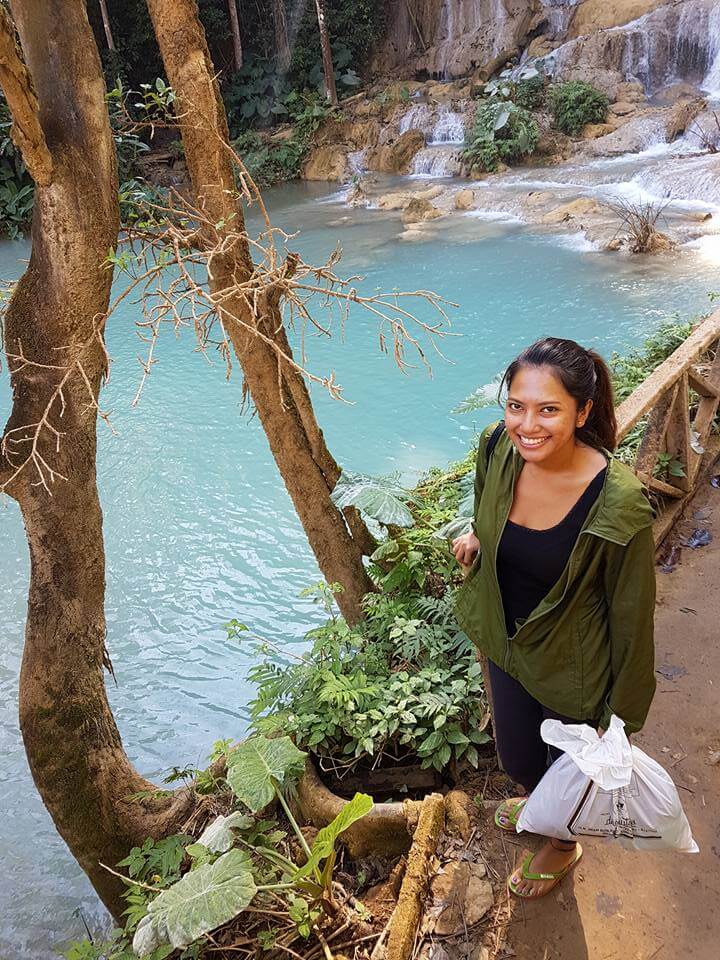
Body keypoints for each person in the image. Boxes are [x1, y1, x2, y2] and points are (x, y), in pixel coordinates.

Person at [452, 337, 657, 900]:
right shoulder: (496, 447)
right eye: (516, 405)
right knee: (518, 757)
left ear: (583, 411)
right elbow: (486, 504)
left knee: (571, 769)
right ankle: (539, 802)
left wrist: (621, 719)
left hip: (573, 665)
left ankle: (563, 842)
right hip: (506, 642)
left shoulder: (618, 503)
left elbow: (634, 619)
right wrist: (477, 535)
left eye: (548, 409)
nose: (527, 425)